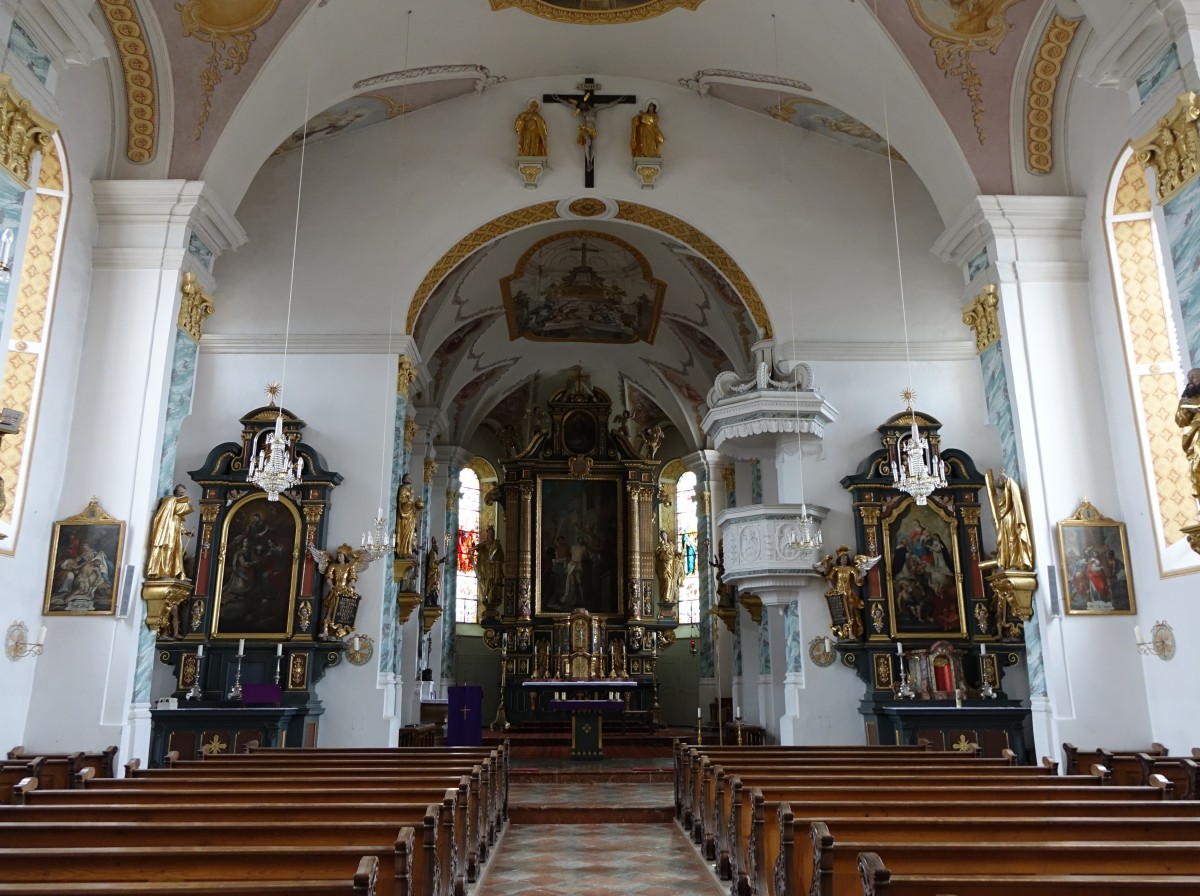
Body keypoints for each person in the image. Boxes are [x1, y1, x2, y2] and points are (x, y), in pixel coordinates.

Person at [308, 543, 370, 639]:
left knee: (343, 612)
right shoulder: (333, 566)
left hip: (345, 591)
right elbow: (329, 577)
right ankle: (325, 630)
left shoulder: (350, 566)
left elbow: (352, 577)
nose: (339, 557)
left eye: (341, 555)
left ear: (345, 556)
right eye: (338, 556)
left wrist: (350, 585)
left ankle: (340, 630)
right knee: (330, 610)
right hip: (335, 590)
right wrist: (331, 585)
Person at [986, 468, 1035, 570]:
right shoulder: (997, 498)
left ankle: (1015, 563)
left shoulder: (1009, 494)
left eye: (1000, 486)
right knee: (1004, 541)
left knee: (1012, 540)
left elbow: (1013, 489)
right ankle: (1008, 562)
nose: (998, 490)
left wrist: (1005, 477)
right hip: (1004, 521)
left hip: (1011, 518)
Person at [146, 485, 195, 580]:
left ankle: (173, 572)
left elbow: (178, 521)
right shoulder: (169, 500)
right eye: (181, 493)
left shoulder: (175, 511)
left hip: (174, 533)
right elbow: (178, 509)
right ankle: (164, 571)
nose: (182, 495)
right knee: (167, 548)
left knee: (175, 551)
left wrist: (186, 532)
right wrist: (187, 505)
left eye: (183, 493)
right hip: (166, 532)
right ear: (175, 491)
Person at [1176, 367, 1200, 500]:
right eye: (1191, 378)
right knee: (1197, 462)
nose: (1193, 380)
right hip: (1195, 433)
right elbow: (1180, 421)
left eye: (1196, 377)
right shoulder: (1186, 400)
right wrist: (1187, 410)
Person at [473, 524, 504, 607]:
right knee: (487, 582)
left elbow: (501, 557)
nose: (490, 534)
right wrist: (471, 549)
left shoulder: (497, 544)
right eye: (489, 533)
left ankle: (493, 597)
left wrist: (496, 561)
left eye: (492, 533)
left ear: (493, 534)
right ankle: (487, 595)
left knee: (494, 582)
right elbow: (477, 548)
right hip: (486, 567)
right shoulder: (484, 543)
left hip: (495, 567)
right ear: (487, 534)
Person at [395, 472, 425, 557]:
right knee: (406, 531)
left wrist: (417, 505)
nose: (410, 479)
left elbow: (411, 501)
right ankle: (403, 551)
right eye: (408, 478)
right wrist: (409, 501)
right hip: (405, 514)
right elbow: (401, 501)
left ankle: (409, 550)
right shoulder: (403, 489)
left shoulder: (411, 489)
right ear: (404, 479)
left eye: (411, 478)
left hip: (411, 513)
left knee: (411, 532)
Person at [655, 529, 683, 609]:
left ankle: (668, 597)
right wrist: (661, 550)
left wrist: (680, 553)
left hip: (670, 564)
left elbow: (675, 552)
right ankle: (664, 596)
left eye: (664, 534)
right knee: (664, 578)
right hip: (663, 563)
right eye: (662, 535)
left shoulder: (671, 544)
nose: (663, 536)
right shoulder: (660, 544)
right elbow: (656, 552)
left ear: (667, 535)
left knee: (670, 579)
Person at [424, 537, 444, 606]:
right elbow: (432, 565)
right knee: (431, 587)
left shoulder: (434, 553)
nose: (438, 547)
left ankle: (433, 601)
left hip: (434, 574)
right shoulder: (432, 553)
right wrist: (440, 561)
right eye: (437, 545)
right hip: (432, 574)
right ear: (433, 545)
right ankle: (429, 601)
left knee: (435, 587)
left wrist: (440, 561)